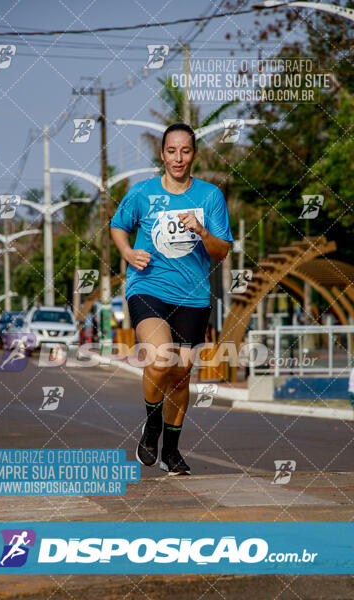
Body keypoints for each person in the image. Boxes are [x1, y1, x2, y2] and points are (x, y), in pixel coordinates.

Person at [110, 123, 233, 475]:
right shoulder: (142, 193)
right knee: (160, 358)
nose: (178, 158)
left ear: (194, 154)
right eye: (171, 151)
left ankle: (172, 452)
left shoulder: (210, 196)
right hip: (148, 287)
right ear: (162, 154)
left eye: (185, 151)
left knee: (181, 375)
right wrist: (128, 253)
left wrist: (201, 230)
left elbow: (222, 252)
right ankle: (151, 429)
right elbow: (118, 225)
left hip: (193, 296)